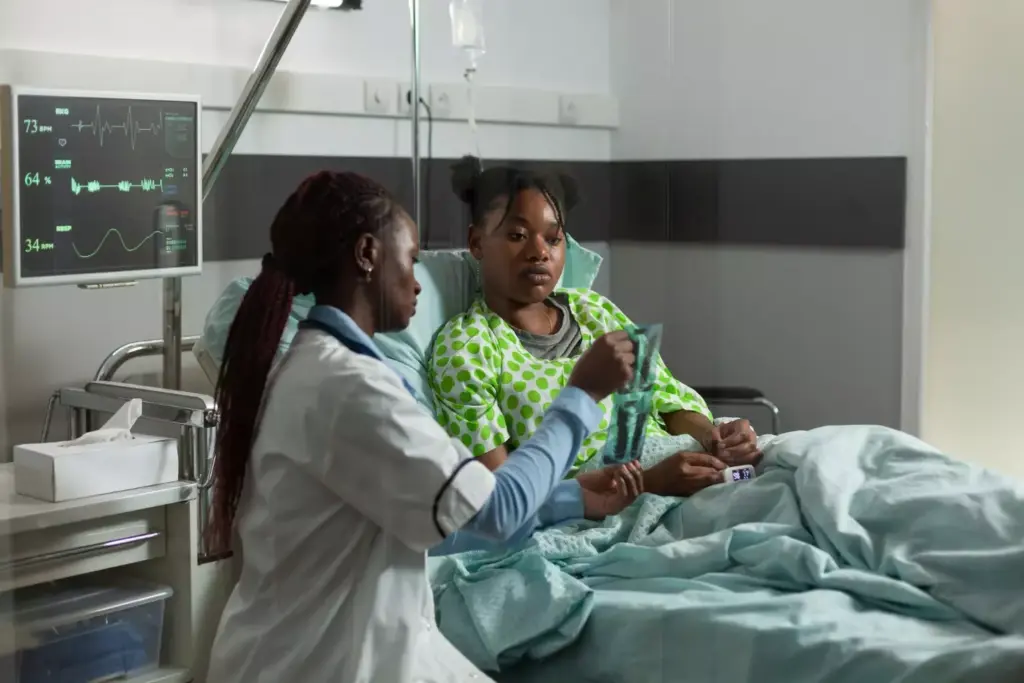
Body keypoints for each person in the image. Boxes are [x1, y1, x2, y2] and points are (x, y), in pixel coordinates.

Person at [203, 171, 642, 683]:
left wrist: (575, 499)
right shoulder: (351, 389)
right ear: (368, 255)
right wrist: (581, 394)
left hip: (318, 651)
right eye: (411, 260)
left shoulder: (322, 368)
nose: (417, 282)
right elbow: (496, 512)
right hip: (317, 666)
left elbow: (439, 525)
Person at [429, 157, 761, 498]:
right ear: (477, 242)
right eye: (517, 235)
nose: (539, 252)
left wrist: (715, 438)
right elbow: (503, 498)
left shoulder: (595, 309)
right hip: (602, 507)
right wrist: (645, 485)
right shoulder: (466, 348)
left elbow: (666, 397)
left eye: (554, 239)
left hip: (690, 468)